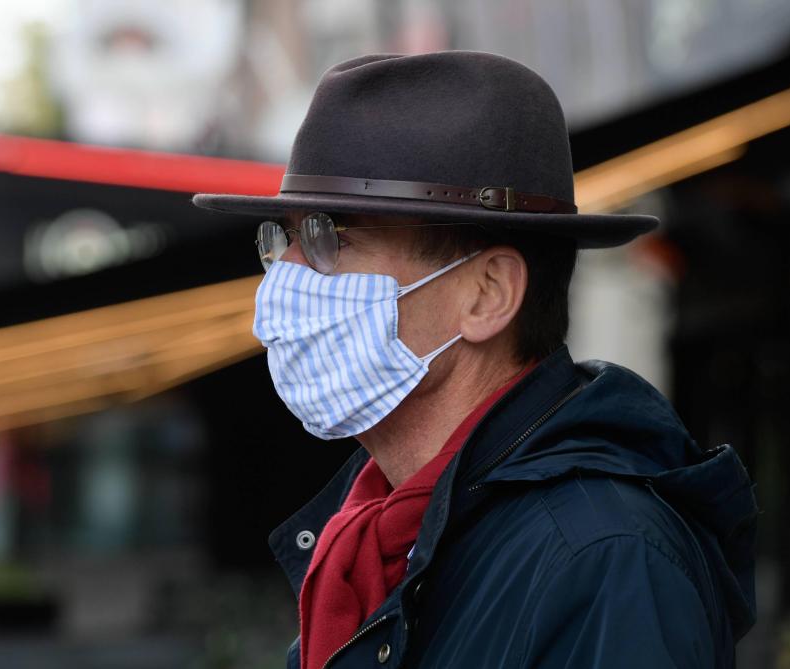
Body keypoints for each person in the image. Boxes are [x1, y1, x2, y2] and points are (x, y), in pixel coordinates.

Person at [192, 51, 757, 669]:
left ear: (488, 294)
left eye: (333, 238)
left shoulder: (604, 559)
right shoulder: (369, 540)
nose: (286, 277)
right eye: (284, 238)